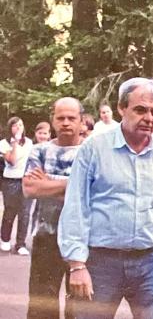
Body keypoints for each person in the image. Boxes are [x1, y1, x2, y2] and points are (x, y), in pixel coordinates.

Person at [57, 77, 153, 319]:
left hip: (151, 263)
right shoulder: (94, 148)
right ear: (121, 108)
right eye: (140, 110)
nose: (149, 118)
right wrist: (77, 265)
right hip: (101, 263)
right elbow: (76, 206)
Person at [22, 97, 84, 318]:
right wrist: (76, 185)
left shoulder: (91, 152)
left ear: (81, 121)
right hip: (45, 237)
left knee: (79, 307)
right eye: (61, 118)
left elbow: (95, 192)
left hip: (84, 239)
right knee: (41, 306)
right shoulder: (39, 150)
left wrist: (48, 181)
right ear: (53, 120)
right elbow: (30, 188)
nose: (66, 122)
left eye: (71, 118)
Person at [1, 116, 34, 255]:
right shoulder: (3, 143)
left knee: (25, 213)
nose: (18, 127)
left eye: (20, 125)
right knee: (10, 210)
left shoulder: (29, 142)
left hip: (26, 179)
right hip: (10, 181)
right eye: (15, 125)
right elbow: (12, 161)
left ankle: (21, 244)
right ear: (10, 128)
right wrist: (15, 143)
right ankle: (5, 239)